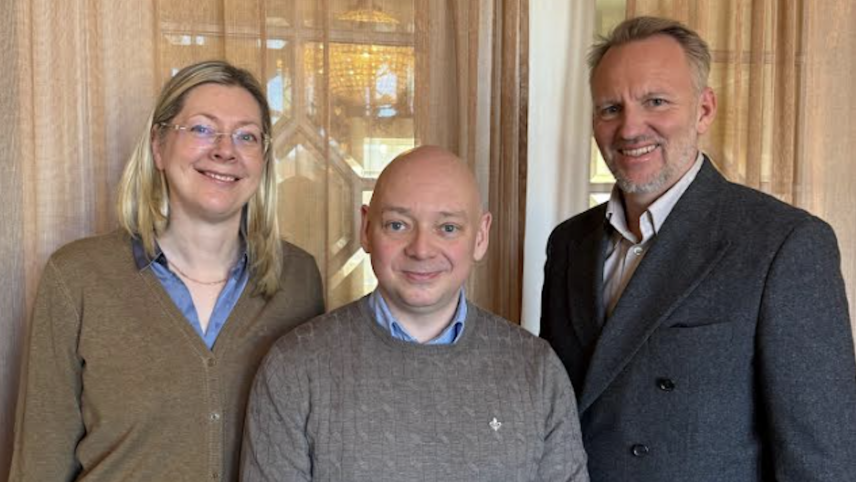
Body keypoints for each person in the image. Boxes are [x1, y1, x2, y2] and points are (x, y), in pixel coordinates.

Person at [540, 16, 856, 482]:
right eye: (610, 108)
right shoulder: (569, 243)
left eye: (656, 102)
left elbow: (821, 460)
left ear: (704, 110)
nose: (630, 128)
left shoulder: (783, 243)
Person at [9, 61, 324, 481]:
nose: (224, 150)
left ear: (262, 160)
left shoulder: (299, 279)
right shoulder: (77, 277)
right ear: (158, 146)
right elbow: (39, 462)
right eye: (201, 129)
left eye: (246, 136)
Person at [241, 146, 590, 482]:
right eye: (397, 225)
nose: (421, 249)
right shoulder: (294, 368)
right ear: (366, 229)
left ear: (481, 236)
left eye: (448, 228)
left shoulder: (537, 371)